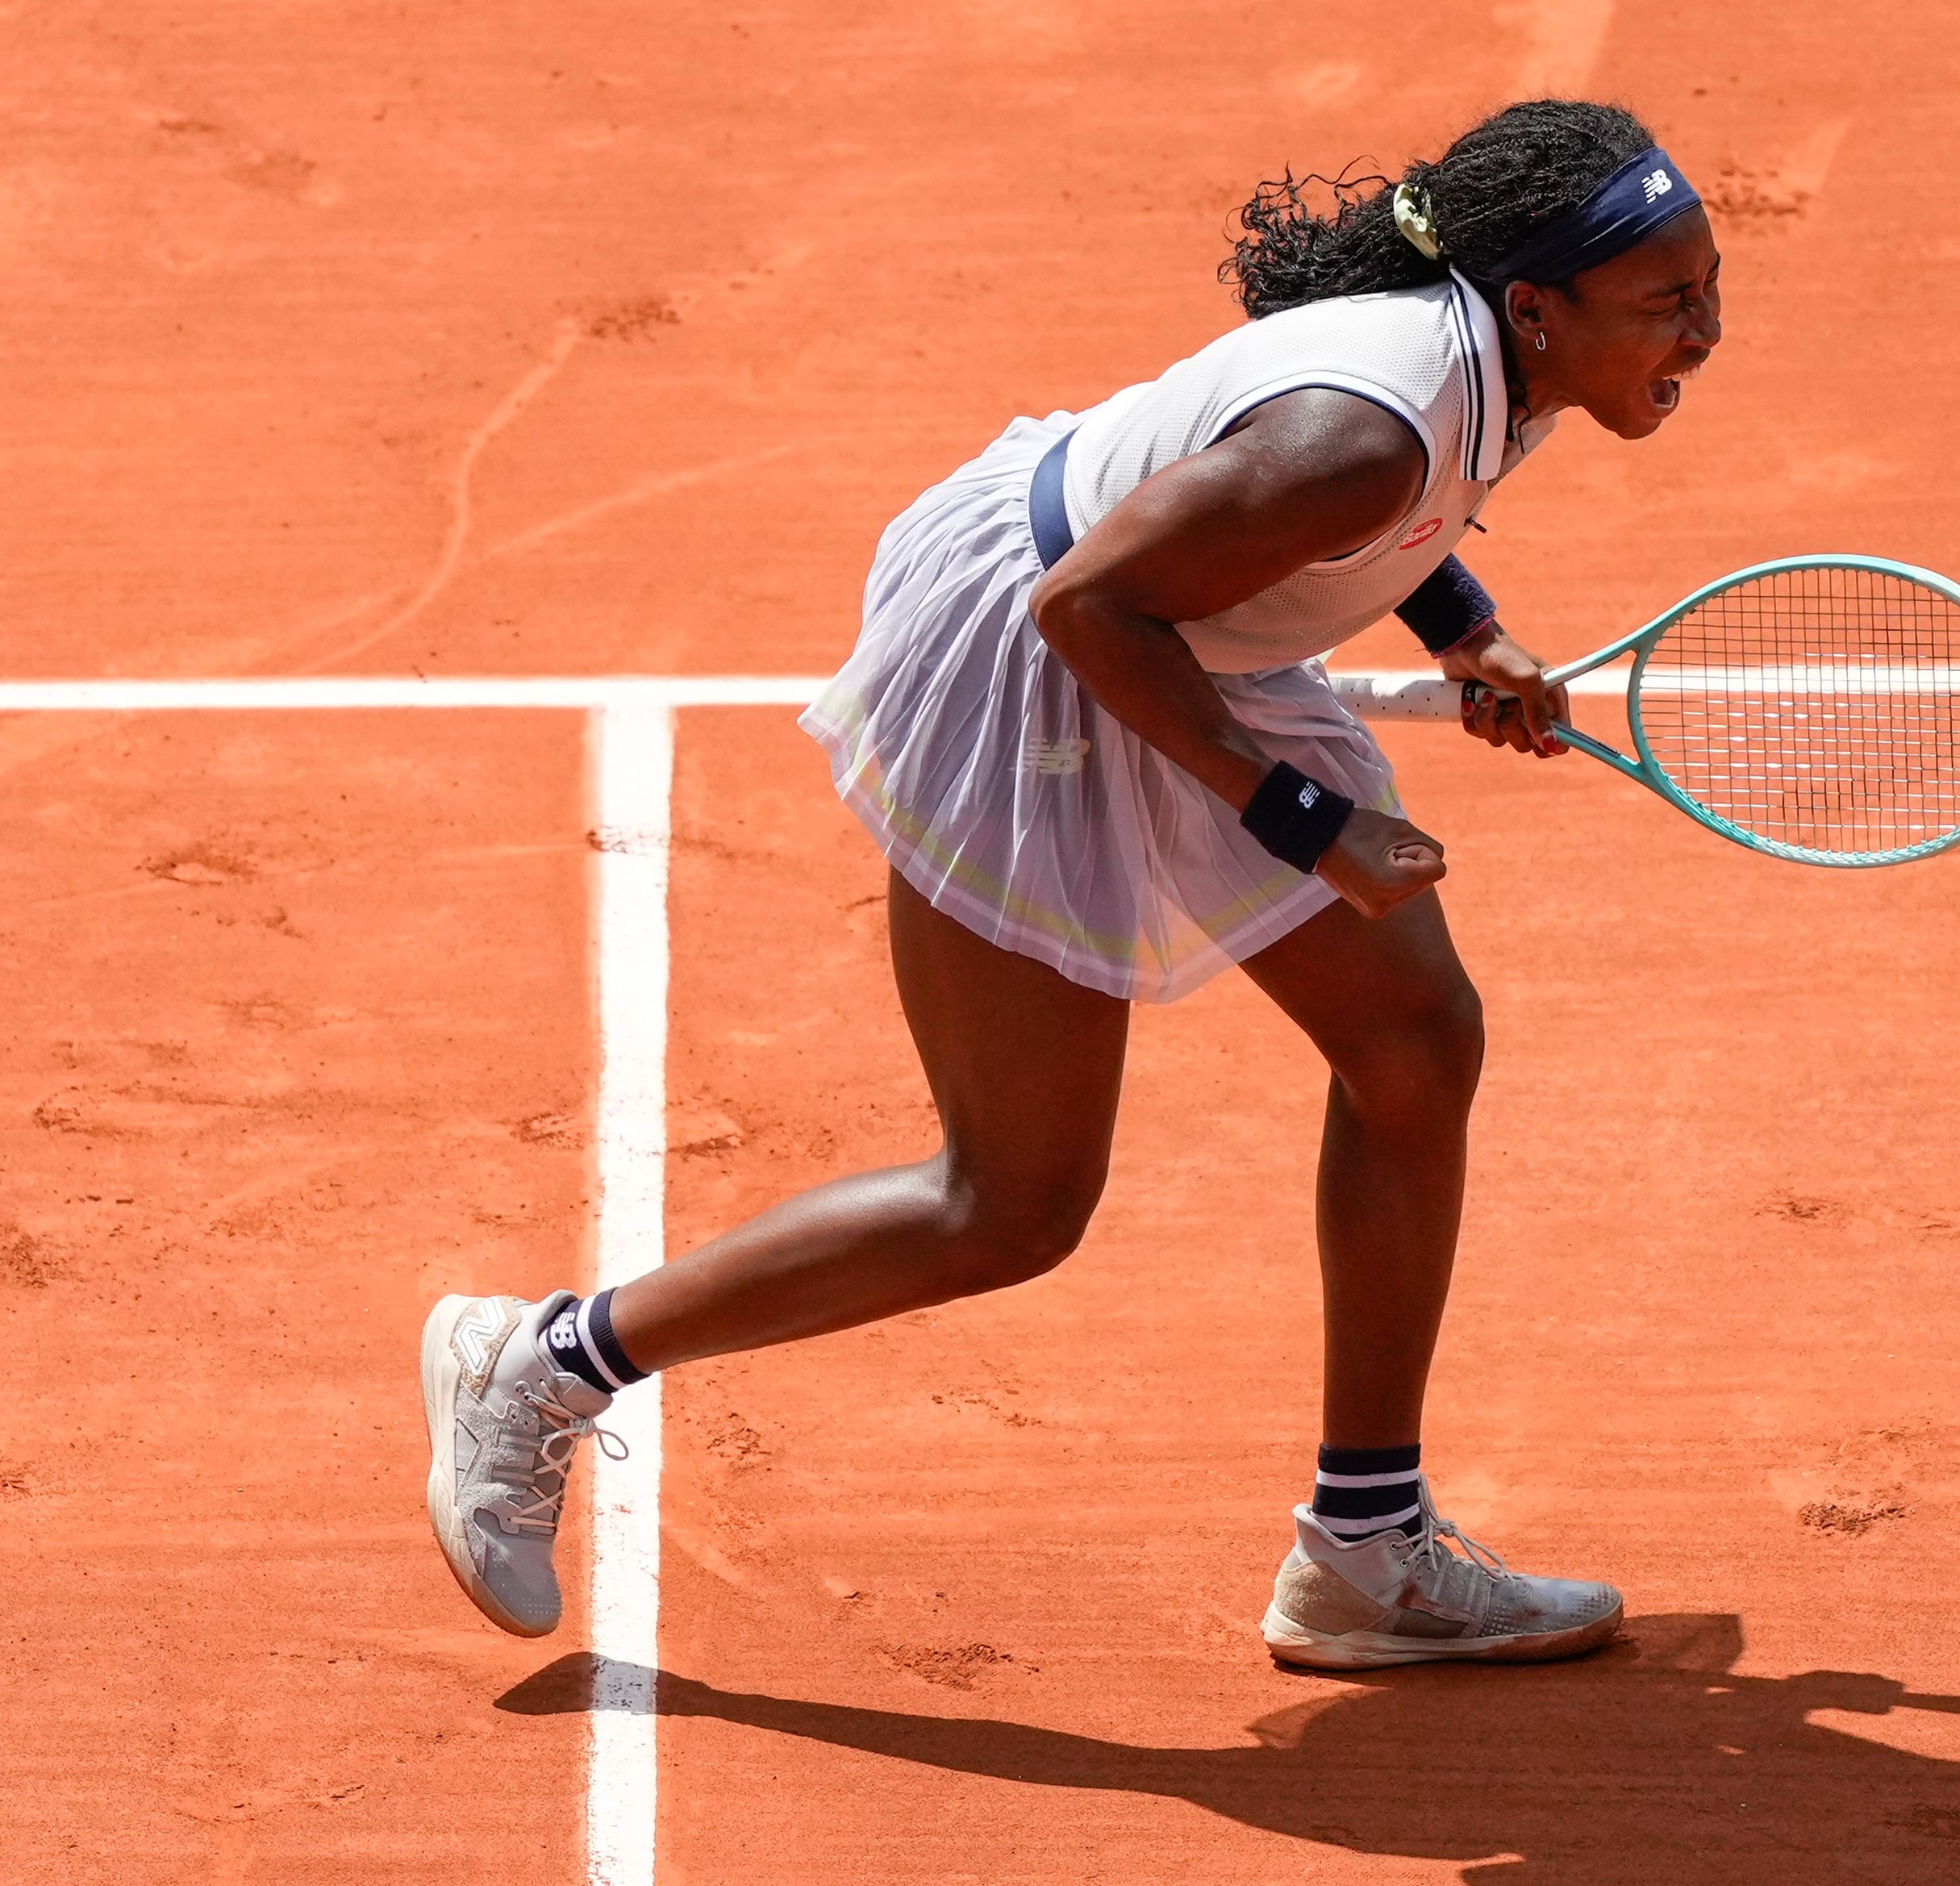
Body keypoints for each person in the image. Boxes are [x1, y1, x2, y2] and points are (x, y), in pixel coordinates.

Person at [419, 98, 1723, 1670]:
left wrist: (1463, 629)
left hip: (1190, 636)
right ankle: (543, 1363)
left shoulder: (1502, 366)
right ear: (1534, 308)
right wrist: (1309, 820)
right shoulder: (1364, 429)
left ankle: (1364, 1552)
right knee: (1011, 1202)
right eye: (1666, 302)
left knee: (1413, 1042)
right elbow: (1088, 610)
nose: (1703, 331)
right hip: (1046, 658)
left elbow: (1387, 518)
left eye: (1709, 289)